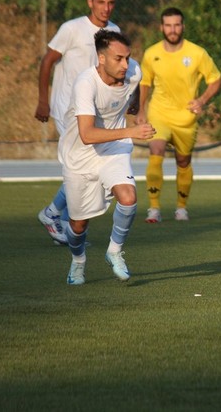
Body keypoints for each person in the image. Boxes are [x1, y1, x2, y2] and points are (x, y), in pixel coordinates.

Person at [59, 30, 155, 285]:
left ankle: (114, 250)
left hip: (114, 149)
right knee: (78, 226)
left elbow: (136, 90)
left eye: (128, 57)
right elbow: (87, 134)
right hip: (80, 156)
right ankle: (78, 262)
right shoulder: (85, 83)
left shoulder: (133, 71)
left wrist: (137, 107)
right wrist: (131, 130)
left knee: (129, 197)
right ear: (101, 59)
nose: (126, 64)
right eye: (118, 59)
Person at [35, 0, 119, 245]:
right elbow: (47, 61)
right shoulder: (71, 29)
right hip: (66, 110)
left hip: (94, 113)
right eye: (101, 2)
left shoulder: (114, 31)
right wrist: (43, 100)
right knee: (85, 166)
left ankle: (56, 216)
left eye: (110, 3)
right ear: (90, 2)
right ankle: (64, 222)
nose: (106, 8)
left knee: (87, 168)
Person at [136, 7, 221, 223]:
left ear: (182, 27)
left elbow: (215, 79)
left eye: (176, 25)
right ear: (161, 27)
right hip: (159, 113)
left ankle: (181, 208)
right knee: (156, 150)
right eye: (168, 25)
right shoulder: (151, 53)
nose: (172, 29)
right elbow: (144, 83)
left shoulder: (197, 53)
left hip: (186, 118)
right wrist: (140, 110)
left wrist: (202, 100)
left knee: (183, 162)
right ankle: (154, 209)